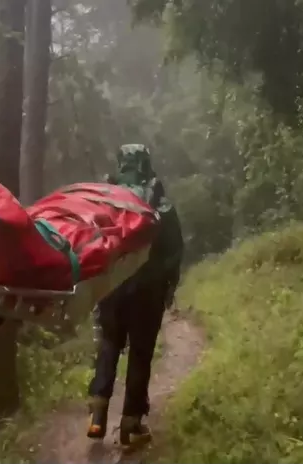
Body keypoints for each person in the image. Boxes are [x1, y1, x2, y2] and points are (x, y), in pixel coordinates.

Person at [86, 144, 184, 450]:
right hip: (148, 292)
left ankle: (97, 415)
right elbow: (174, 251)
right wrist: (168, 287)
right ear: (146, 164)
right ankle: (131, 424)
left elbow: (90, 242)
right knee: (140, 353)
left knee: (110, 344)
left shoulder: (106, 201)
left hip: (112, 289)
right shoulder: (161, 204)